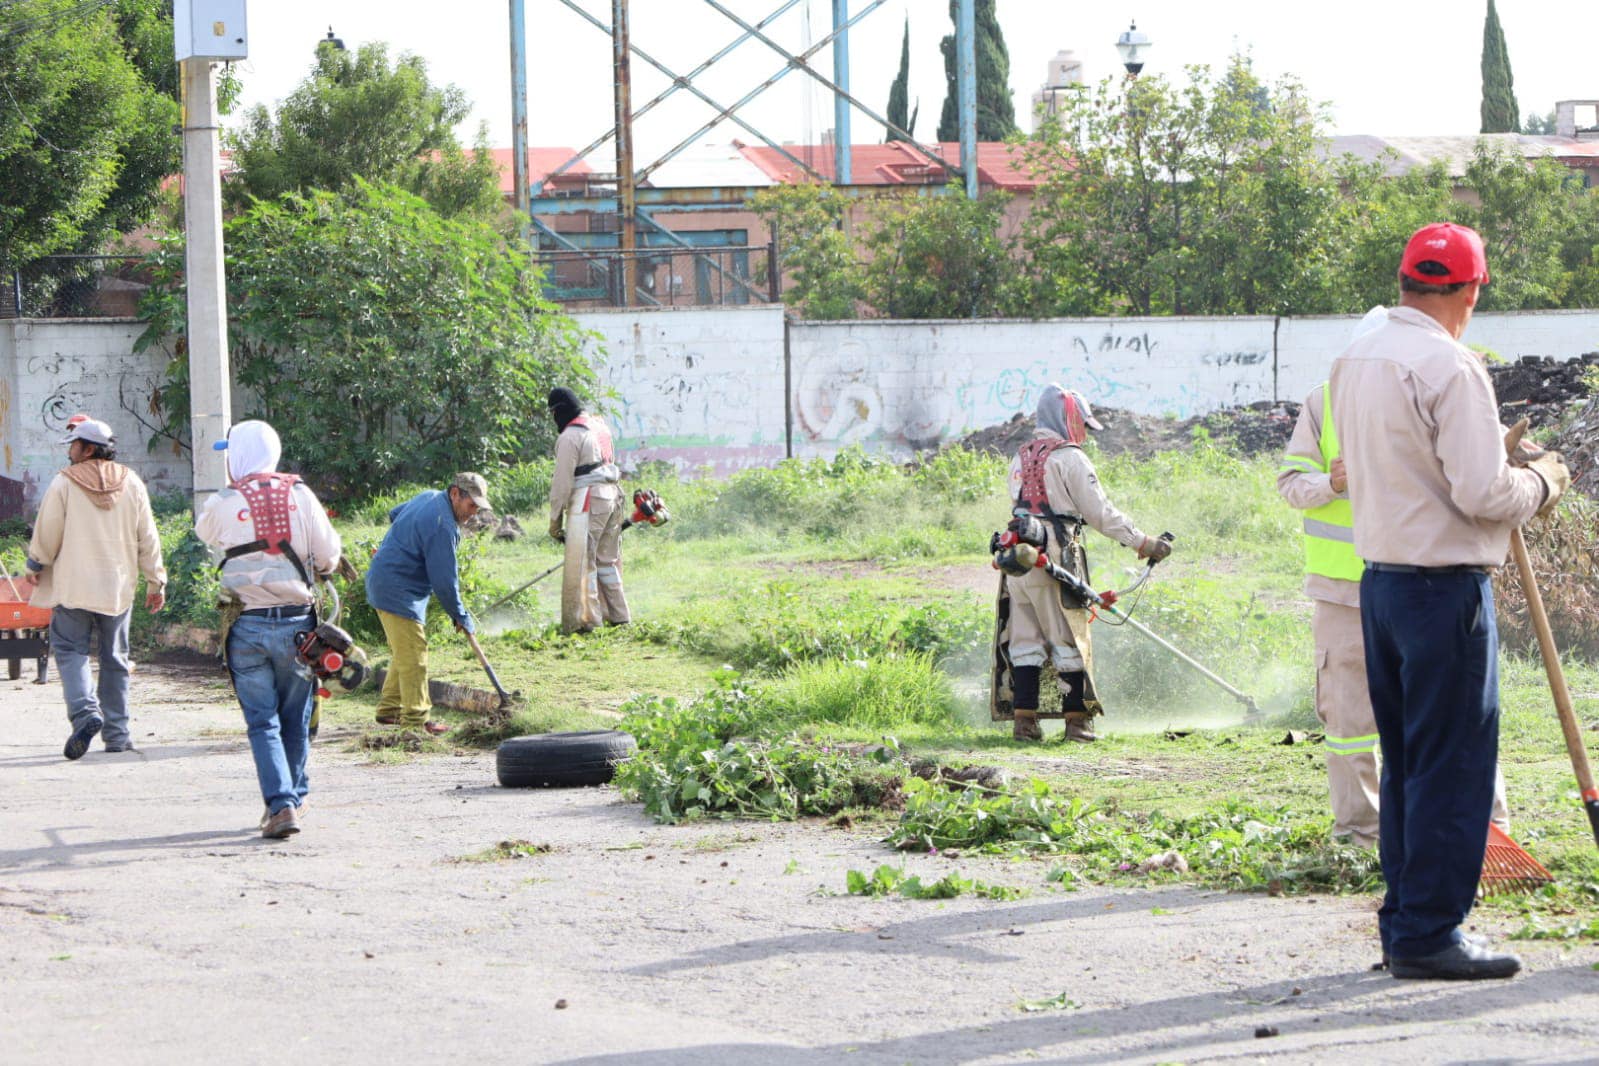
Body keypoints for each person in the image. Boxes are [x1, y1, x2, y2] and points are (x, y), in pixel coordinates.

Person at [1330, 222, 1570, 981]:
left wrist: (1478, 440)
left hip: (1381, 586)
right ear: (1468, 291)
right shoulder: (1452, 366)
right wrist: (1544, 481)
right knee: (1453, 767)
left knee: (1408, 764)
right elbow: (1481, 491)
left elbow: (1408, 453)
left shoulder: (1357, 356)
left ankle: (1403, 925)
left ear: (1405, 282)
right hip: (1441, 592)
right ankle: (1430, 934)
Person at [1280, 310, 1513, 849]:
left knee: (1455, 712)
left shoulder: (1440, 382)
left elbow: (1475, 474)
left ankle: (1486, 831)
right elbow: (1291, 483)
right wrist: (1330, 482)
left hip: (1423, 581)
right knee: (1350, 719)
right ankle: (1363, 833)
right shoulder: (1326, 399)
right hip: (1344, 592)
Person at [992, 383, 1171, 743]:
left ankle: (1025, 723)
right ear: (1067, 418)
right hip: (1055, 552)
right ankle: (1077, 723)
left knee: (1025, 639)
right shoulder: (1069, 457)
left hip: (1018, 557)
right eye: (1083, 425)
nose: (1085, 433)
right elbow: (1099, 513)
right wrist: (1142, 542)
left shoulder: (1019, 456)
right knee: (1068, 637)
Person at [196, 421, 342, 840]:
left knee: (262, 722)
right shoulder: (300, 493)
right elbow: (329, 554)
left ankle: (281, 805)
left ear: (237, 455)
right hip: (298, 626)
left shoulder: (223, 500)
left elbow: (206, 534)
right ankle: (292, 799)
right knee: (295, 718)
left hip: (246, 626)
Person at [23, 418, 165, 759]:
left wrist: (35, 562)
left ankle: (86, 714)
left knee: (71, 651)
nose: (70, 451)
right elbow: (147, 536)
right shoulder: (132, 482)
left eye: (74, 445)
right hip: (117, 588)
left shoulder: (64, 483)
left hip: (74, 585)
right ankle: (117, 735)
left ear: (88, 449)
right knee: (115, 658)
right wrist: (155, 579)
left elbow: (48, 531)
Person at [364, 472, 489, 734]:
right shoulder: (443, 526)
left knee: (405, 650)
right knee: (415, 654)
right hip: (396, 588)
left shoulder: (429, 497)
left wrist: (400, 543)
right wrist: (460, 615)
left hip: (387, 581)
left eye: (477, 507)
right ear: (455, 494)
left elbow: (395, 514)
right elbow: (445, 581)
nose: (473, 513)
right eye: (470, 506)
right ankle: (415, 720)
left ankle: (390, 709)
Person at [547, 387, 628, 633]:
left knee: (584, 563)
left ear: (559, 411)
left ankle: (588, 621)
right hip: (613, 496)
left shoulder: (570, 436)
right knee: (607, 561)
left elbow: (562, 483)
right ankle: (619, 616)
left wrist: (554, 522)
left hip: (590, 500)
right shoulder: (599, 426)